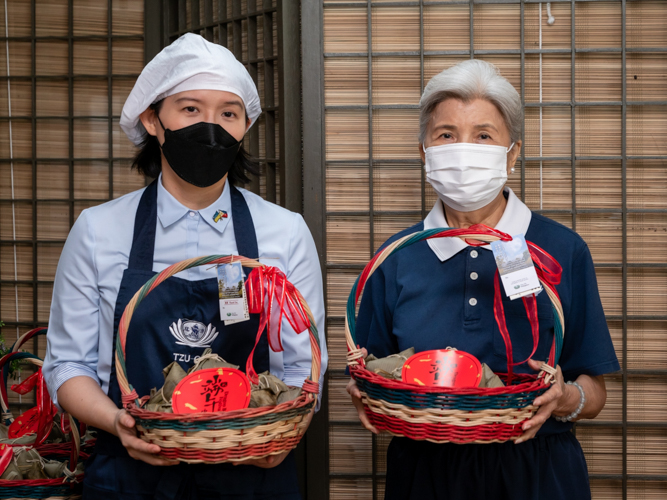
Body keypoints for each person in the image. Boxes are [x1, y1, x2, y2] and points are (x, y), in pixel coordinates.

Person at [43, 33, 327, 500]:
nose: (210, 127)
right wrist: (119, 422)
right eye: (190, 109)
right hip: (130, 473)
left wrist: (283, 434)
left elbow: (303, 366)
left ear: (243, 129)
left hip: (252, 472)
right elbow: (68, 364)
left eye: (228, 114)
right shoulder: (98, 231)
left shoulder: (284, 231)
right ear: (153, 120)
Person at [346, 59, 619, 500]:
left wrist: (566, 398)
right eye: (447, 135)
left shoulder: (562, 250)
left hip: (537, 469)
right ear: (424, 151)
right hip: (426, 472)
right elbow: (372, 370)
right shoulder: (397, 258)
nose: (463, 148)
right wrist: (367, 394)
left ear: (512, 152)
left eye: (484, 135)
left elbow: (596, 391)